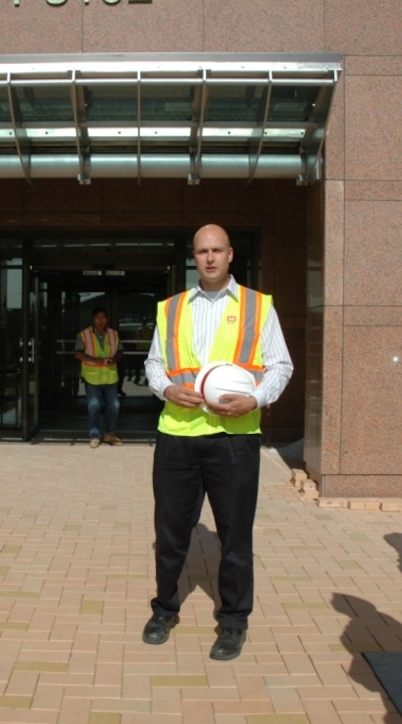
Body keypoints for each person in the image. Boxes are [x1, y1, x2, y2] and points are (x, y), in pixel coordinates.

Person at [142, 223, 293, 660]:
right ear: (194, 257)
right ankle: (164, 609)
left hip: (234, 438)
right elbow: (154, 363)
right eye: (201, 251)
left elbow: (280, 366)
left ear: (230, 255)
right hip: (179, 435)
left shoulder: (258, 306)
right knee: (169, 534)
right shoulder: (171, 308)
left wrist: (255, 399)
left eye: (217, 250)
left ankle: (233, 621)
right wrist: (167, 390)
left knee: (235, 536)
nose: (209, 257)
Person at [74, 307, 123, 448]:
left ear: (106, 319)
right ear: (93, 319)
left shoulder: (114, 334)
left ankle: (109, 434)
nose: (100, 321)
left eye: (103, 318)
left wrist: (114, 360)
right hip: (92, 377)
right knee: (94, 405)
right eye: (97, 318)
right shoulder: (84, 335)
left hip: (110, 377)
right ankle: (95, 435)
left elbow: (120, 352)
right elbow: (77, 353)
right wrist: (96, 360)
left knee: (114, 405)